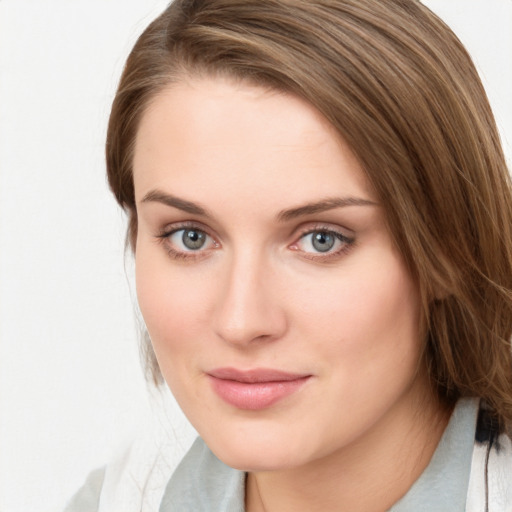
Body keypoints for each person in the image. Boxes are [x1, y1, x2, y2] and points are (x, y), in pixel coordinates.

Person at [65, 0, 512, 510]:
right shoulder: (116, 499)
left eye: (322, 239)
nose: (241, 321)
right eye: (190, 236)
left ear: (450, 246)